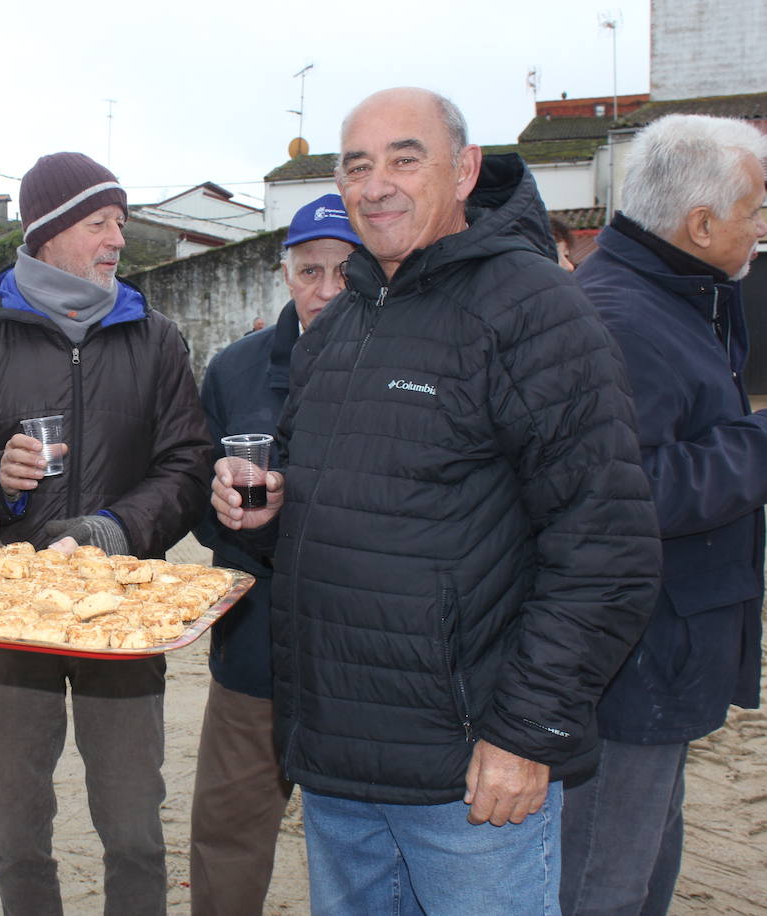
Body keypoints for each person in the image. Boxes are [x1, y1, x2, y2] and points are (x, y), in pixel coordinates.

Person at [211, 87, 662, 915]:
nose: (375, 183)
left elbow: (608, 545)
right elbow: (359, 522)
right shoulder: (338, 331)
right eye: (357, 165)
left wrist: (526, 734)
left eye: (403, 159)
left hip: (470, 780)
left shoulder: (534, 309)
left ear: (464, 172)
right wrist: (273, 519)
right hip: (341, 770)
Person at [0, 151, 212, 915]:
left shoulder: (154, 338)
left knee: (133, 828)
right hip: (13, 616)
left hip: (120, 611)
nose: (117, 238)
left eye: (120, 221)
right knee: (20, 828)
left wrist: (112, 531)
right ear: (49, 232)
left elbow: (188, 465)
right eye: (99, 222)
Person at [561, 114, 767, 916]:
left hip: (662, 651)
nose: (761, 226)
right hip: (631, 657)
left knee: (644, 860)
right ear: (701, 223)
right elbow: (624, 490)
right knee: (603, 881)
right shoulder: (622, 317)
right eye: (754, 209)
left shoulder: (674, 295)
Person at [188, 193, 360, 915]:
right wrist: (223, 506)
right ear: (284, 273)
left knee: (355, 844)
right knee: (227, 835)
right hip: (253, 648)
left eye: (345, 273)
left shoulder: (403, 362)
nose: (324, 291)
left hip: (360, 658)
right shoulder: (236, 369)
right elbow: (196, 499)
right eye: (308, 271)